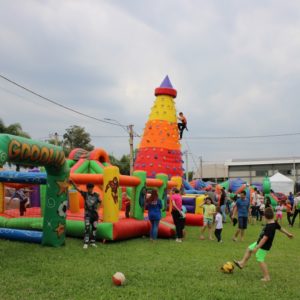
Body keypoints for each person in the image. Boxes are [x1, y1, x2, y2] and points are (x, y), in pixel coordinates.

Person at [233, 207, 293, 281]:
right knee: (249, 249)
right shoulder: (274, 223)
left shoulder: (269, 227)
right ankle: (242, 263)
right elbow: (281, 228)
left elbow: (265, 239)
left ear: (265, 217)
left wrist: (257, 247)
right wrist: (288, 234)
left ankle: (267, 277)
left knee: (260, 258)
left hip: (264, 245)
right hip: (259, 242)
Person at [71, 181, 101, 249]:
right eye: (89, 188)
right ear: (87, 188)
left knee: (94, 228)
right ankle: (86, 242)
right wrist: (72, 183)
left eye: (91, 188)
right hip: (87, 214)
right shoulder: (85, 194)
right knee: (87, 228)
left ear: (93, 188)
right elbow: (77, 189)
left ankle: (93, 242)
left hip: (95, 215)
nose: (90, 189)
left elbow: (100, 202)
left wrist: (98, 209)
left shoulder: (97, 195)